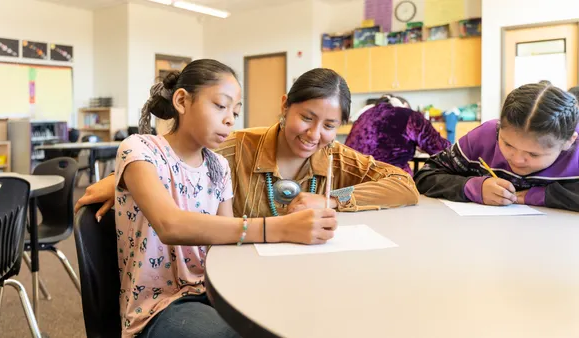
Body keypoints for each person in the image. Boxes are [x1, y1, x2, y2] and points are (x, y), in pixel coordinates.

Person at [111, 59, 339, 338]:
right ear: (182, 101)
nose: (230, 118)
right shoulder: (140, 148)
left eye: (235, 111)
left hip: (216, 291)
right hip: (160, 308)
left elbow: (228, 240)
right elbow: (170, 225)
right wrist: (278, 228)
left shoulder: (218, 166)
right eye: (221, 106)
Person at [75, 68, 419, 220]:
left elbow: (404, 185)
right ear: (285, 106)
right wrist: (121, 179)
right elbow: (169, 156)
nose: (314, 134)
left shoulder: (334, 156)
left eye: (330, 125)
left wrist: (332, 198)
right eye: (307, 118)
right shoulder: (237, 146)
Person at [414, 81, 579, 212]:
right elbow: (425, 176)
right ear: (499, 127)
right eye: (507, 144)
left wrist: (539, 196)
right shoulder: (484, 137)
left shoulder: (575, 151)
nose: (517, 160)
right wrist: (474, 188)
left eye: (534, 154)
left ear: (569, 142)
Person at [345, 94, 451, 176]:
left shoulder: (364, 116)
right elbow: (442, 149)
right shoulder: (410, 116)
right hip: (391, 182)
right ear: (405, 105)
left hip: (352, 181)